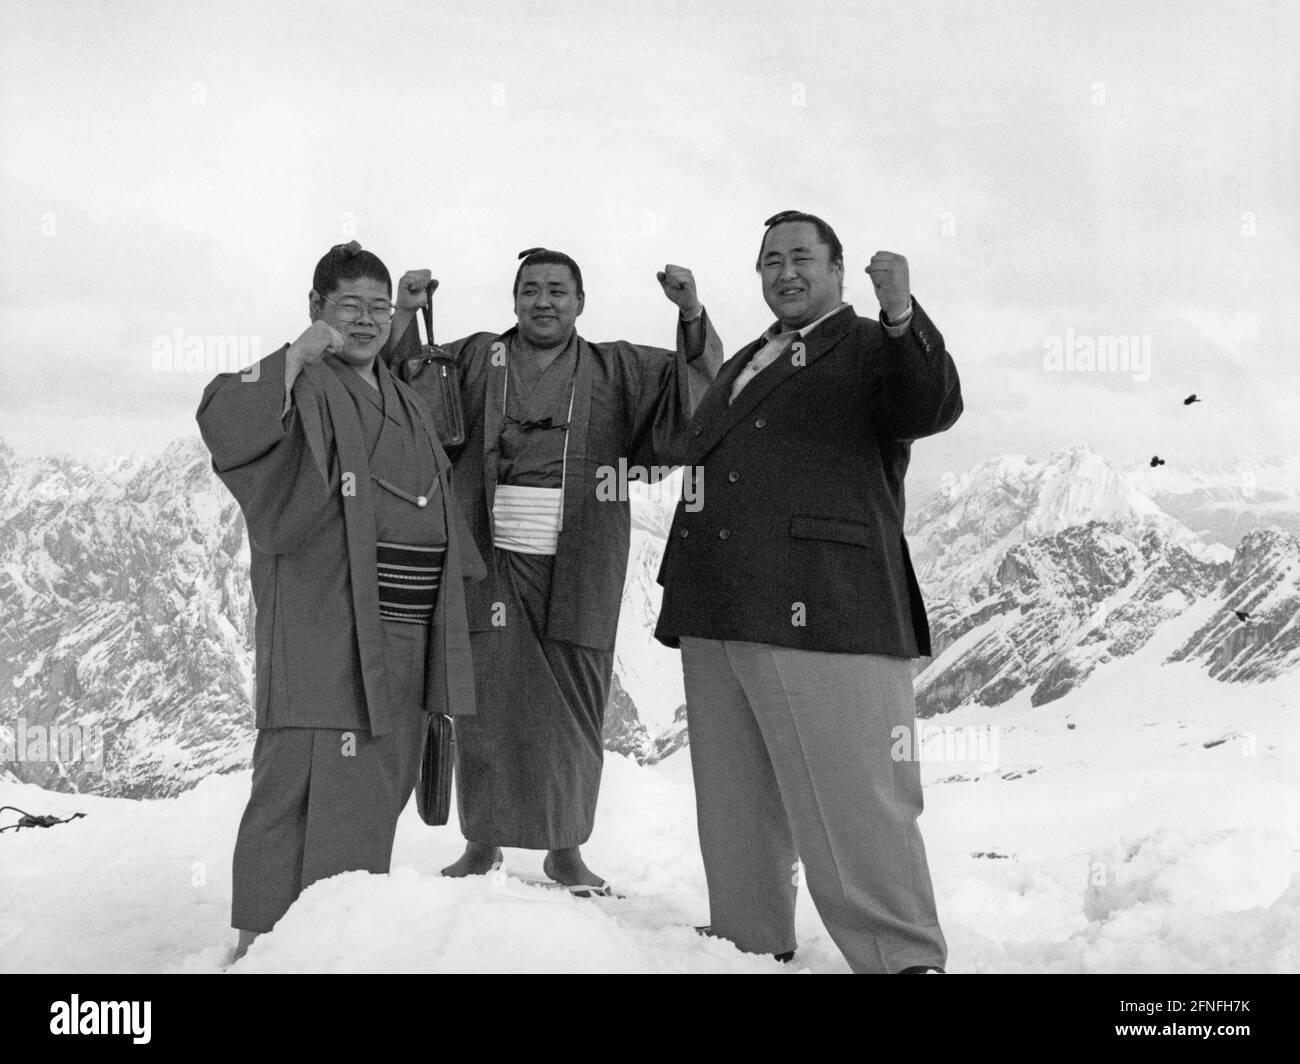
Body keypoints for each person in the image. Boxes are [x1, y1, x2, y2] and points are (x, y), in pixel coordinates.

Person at [654, 211, 962, 972]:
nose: (784, 272)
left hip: (825, 602)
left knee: (857, 796)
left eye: (800, 257)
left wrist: (901, 314)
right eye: (769, 261)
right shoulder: (751, 357)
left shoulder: (869, 346)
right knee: (735, 797)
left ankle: (901, 955)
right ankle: (749, 936)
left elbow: (928, 406)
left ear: (836, 268)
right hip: (718, 601)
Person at [384, 248, 722, 893]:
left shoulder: (617, 366)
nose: (544, 302)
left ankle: (566, 850)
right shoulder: (478, 358)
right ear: (513, 300)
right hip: (488, 549)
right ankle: (480, 843)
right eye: (531, 290)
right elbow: (404, 378)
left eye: (558, 291)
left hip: (581, 553)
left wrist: (691, 314)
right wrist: (407, 309)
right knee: (483, 698)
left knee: (574, 703)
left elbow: (694, 390)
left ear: (580, 302)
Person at [197, 241, 482, 960]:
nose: (366, 321)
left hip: (406, 631)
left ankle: (335, 945)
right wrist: (295, 355)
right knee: (295, 787)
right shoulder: (309, 381)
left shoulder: (404, 399)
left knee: (368, 793)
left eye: (378, 308)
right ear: (315, 310)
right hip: (329, 626)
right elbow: (226, 417)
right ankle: (259, 943)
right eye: (349, 306)